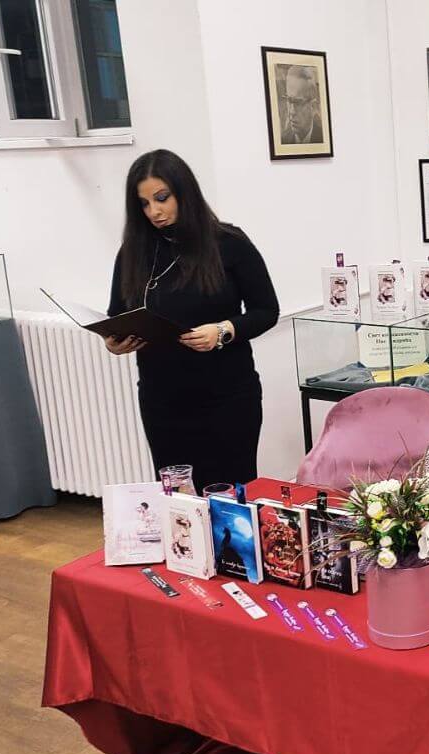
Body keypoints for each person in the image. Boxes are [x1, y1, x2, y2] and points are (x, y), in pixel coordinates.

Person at [105, 150, 279, 493]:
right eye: (143, 204)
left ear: (184, 192)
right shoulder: (133, 252)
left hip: (227, 398)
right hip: (162, 400)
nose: (154, 211)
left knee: (228, 498)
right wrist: (115, 341)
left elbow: (266, 310)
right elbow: (117, 315)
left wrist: (223, 331)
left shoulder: (229, 243)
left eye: (162, 198)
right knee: (179, 502)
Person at [280, 66, 324, 145]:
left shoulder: (324, 138)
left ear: (313, 106)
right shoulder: (282, 140)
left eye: (298, 103)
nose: (292, 112)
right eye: (289, 100)